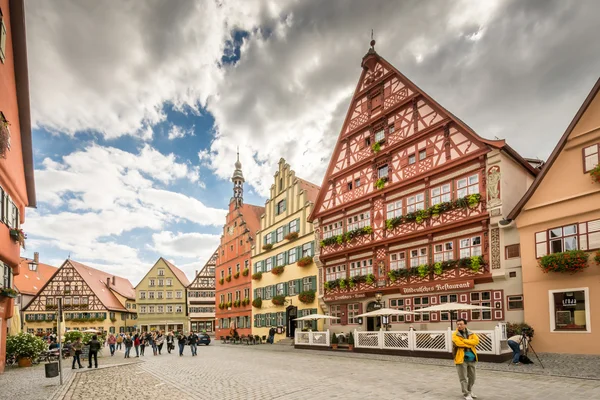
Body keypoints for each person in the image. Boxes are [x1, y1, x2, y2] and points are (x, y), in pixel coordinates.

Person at [452, 319, 479, 400]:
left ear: (465, 324)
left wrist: (464, 340)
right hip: (461, 358)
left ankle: (470, 391)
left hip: (472, 358)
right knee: (463, 378)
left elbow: (476, 341)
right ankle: (466, 394)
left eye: (461, 324)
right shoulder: (455, 334)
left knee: (472, 377)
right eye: (457, 324)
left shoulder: (471, 333)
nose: (459, 326)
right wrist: (469, 343)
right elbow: (458, 343)